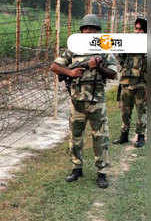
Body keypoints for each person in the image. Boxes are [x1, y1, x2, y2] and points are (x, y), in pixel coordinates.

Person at [50, 14, 118, 189]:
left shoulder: (104, 49)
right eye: (86, 28)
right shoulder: (73, 49)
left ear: (98, 32)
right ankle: (76, 167)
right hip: (77, 102)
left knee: (100, 137)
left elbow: (113, 74)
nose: (89, 31)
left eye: (93, 29)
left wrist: (99, 67)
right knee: (75, 137)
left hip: (97, 102)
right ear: (81, 31)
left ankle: (101, 172)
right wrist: (71, 73)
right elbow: (55, 67)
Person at [112, 16, 147, 148]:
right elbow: (120, 56)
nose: (137, 31)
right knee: (125, 110)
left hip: (142, 83)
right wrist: (125, 68)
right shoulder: (128, 42)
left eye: (141, 29)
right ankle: (124, 135)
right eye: (136, 28)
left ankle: (141, 136)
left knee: (141, 111)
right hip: (126, 82)